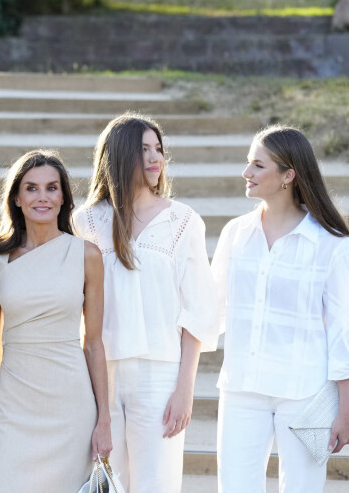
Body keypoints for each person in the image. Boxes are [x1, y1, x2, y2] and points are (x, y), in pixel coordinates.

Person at [73, 112, 221, 492]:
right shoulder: (85, 221)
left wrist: (184, 389)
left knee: (156, 483)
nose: (156, 158)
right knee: (108, 483)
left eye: (159, 149)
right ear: (120, 155)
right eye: (144, 149)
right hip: (98, 374)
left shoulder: (182, 220)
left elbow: (199, 311)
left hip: (160, 375)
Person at [212, 124, 349, 493]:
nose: (246, 173)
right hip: (241, 387)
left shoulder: (331, 244)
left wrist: (346, 407)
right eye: (247, 163)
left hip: (306, 393)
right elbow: (212, 309)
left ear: (288, 175)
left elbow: (343, 330)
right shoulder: (235, 234)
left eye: (258, 165)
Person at [0, 150, 112, 492]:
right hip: (13, 407)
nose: (42, 197)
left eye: (52, 188)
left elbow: (93, 343)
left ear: (63, 196)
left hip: (71, 407)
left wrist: (104, 420)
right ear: (17, 198)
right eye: (31, 188)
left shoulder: (87, 255)